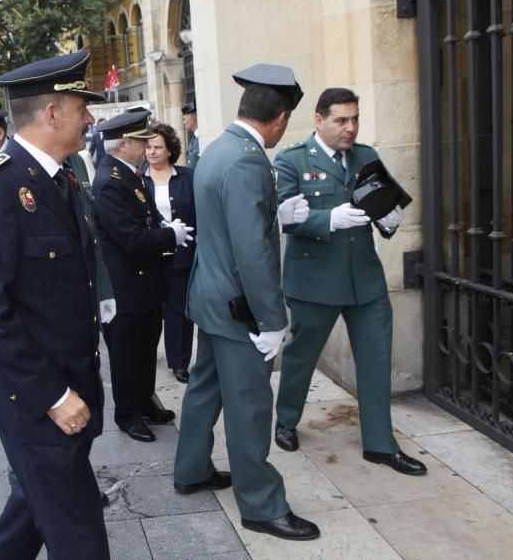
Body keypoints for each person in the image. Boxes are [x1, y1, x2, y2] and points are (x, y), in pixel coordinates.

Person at [0, 50, 110, 559]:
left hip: (70, 387)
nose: (90, 118)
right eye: (82, 107)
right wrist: (53, 395)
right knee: (79, 534)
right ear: (52, 114)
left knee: (29, 514)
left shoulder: (58, 179)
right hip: (38, 401)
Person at [173, 64, 320, 541]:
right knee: (250, 405)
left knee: (204, 389)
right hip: (238, 306)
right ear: (278, 118)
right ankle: (261, 505)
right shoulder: (248, 160)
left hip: (211, 297)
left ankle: (191, 468)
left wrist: (272, 212)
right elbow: (252, 251)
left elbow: (228, 220)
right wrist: (273, 319)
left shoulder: (218, 149)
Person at [272, 87, 426, 476]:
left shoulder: (366, 156)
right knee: (301, 357)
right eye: (341, 120)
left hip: (365, 280)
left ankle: (380, 443)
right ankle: (286, 420)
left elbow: (383, 203)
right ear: (319, 120)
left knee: (376, 360)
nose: (350, 128)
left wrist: (390, 222)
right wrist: (327, 220)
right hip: (314, 280)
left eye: (355, 119)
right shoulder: (291, 161)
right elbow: (281, 218)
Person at [92, 107, 192, 443]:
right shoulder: (110, 181)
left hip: (144, 282)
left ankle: (145, 400)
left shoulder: (127, 173)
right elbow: (131, 239)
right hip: (126, 286)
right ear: (123, 144)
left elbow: (142, 219)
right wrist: (169, 236)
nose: (147, 145)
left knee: (147, 346)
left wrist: (162, 226)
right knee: (127, 353)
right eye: (141, 140)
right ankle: (128, 413)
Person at [143, 122, 196, 384]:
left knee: (179, 309)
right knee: (152, 310)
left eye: (157, 147)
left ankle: (179, 361)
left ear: (169, 150)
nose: (151, 152)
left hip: (181, 255)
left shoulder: (187, 177)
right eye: (148, 147)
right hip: (151, 255)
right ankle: (147, 357)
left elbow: (198, 214)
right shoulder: (138, 179)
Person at [182, 103, 199, 171]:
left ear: (192, 119)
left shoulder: (201, 139)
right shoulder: (194, 138)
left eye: (185, 119)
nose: (184, 122)